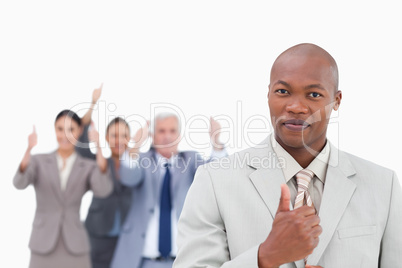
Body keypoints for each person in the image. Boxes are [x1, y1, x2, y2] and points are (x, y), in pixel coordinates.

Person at [173, 43, 402, 268]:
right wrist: (265, 258)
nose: (295, 107)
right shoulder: (215, 180)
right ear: (268, 94)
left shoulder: (383, 185)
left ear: (337, 100)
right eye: (283, 91)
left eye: (313, 94)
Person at [111, 113, 227, 268]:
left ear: (179, 136)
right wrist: (135, 146)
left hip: (184, 260)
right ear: (152, 135)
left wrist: (216, 143)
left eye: (172, 131)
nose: (167, 136)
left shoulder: (190, 159)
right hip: (143, 261)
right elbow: (128, 177)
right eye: (161, 131)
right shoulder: (142, 158)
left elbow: (215, 177)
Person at [13, 110, 112, 268]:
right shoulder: (39, 161)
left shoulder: (87, 166)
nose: (64, 135)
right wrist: (28, 150)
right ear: (54, 129)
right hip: (43, 243)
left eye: (71, 129)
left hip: (75, 245)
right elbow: (19, 183)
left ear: (80, 131)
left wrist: (99, 147)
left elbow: (103, 189)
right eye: (60, 129)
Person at [84, 118, 143, 268]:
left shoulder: (137, 163)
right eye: (114, 135)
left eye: (124, 136)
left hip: (127, 234)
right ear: (106, 138)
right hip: (99, 233)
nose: (119, 140)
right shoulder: (98, 160)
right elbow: (80, 151)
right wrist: (95, 143)